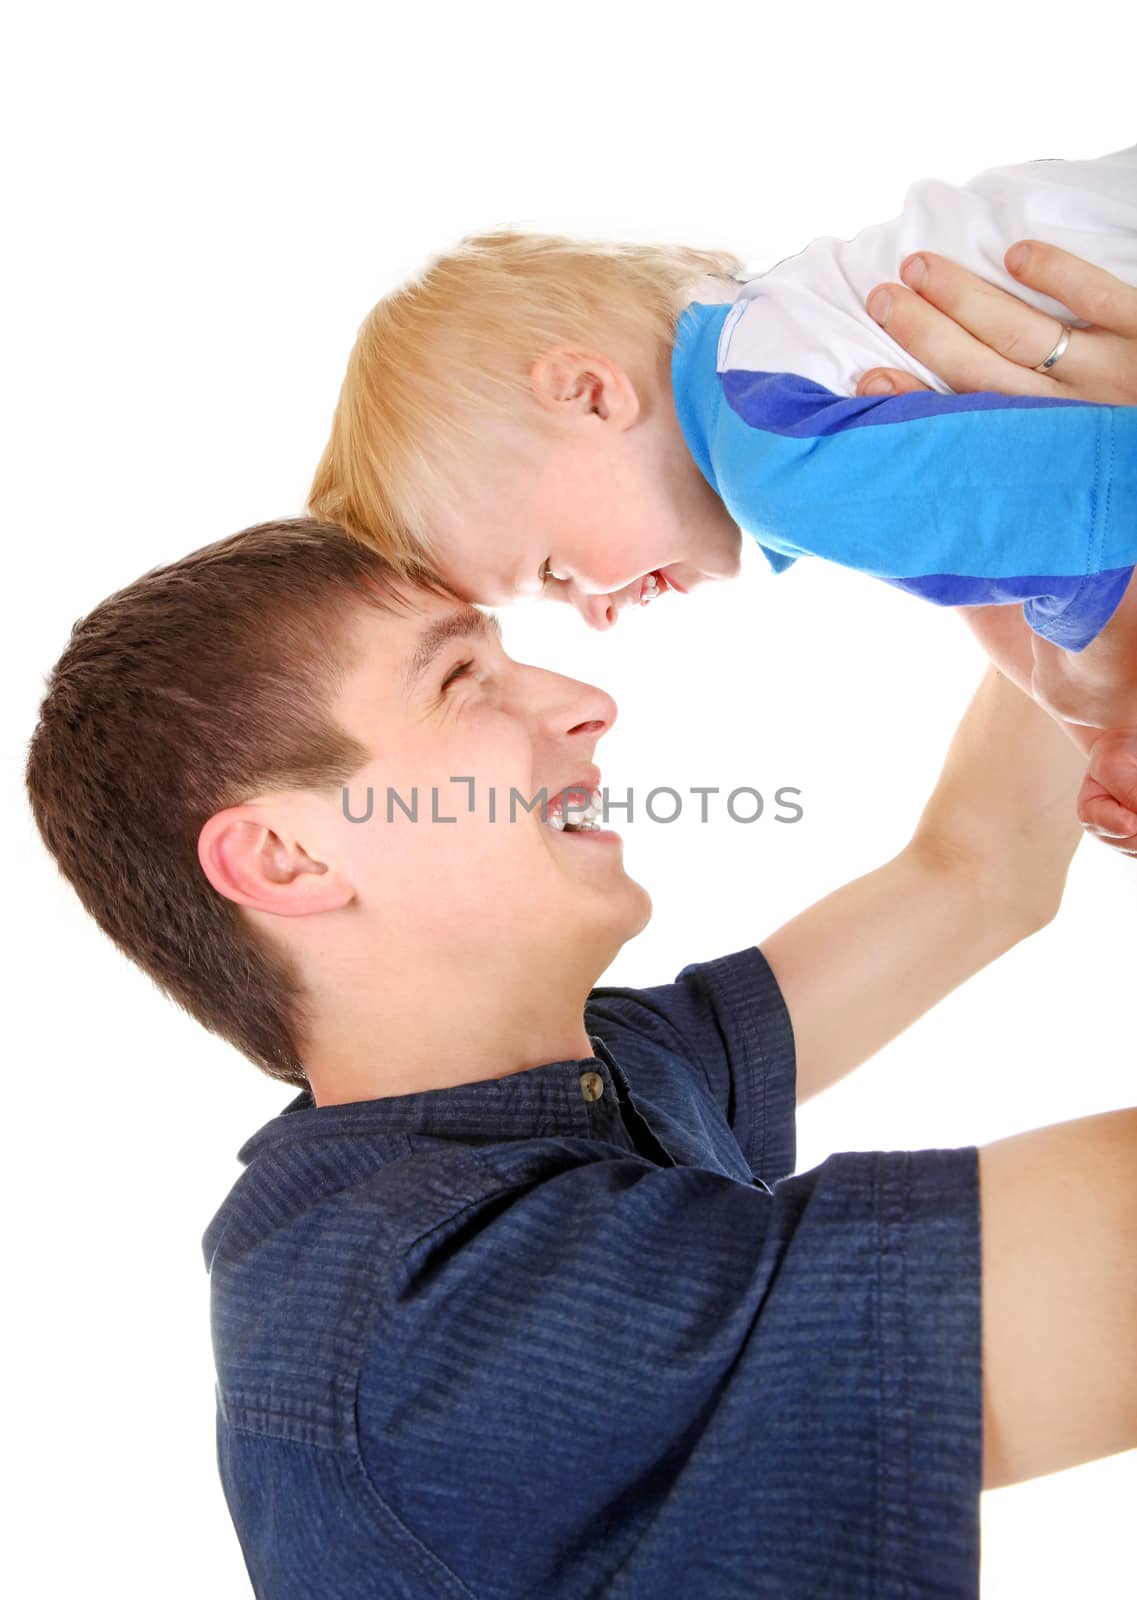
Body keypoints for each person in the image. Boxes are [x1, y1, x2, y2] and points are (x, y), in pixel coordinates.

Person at [25, 508, 1136, 1593]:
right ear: (285, 857)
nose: (590, 703)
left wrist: (1075, 518)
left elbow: (973, 872)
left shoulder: (599, 1069)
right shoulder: (440, 1324)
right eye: (463, 682)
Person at [307, 148, 1137, 849]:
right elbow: (1032, 536)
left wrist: (1094, 690)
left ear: (588, 394)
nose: (596, 616)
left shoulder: (785, 473)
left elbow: (1113, 501)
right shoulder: (782, 335)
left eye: (555, 570)